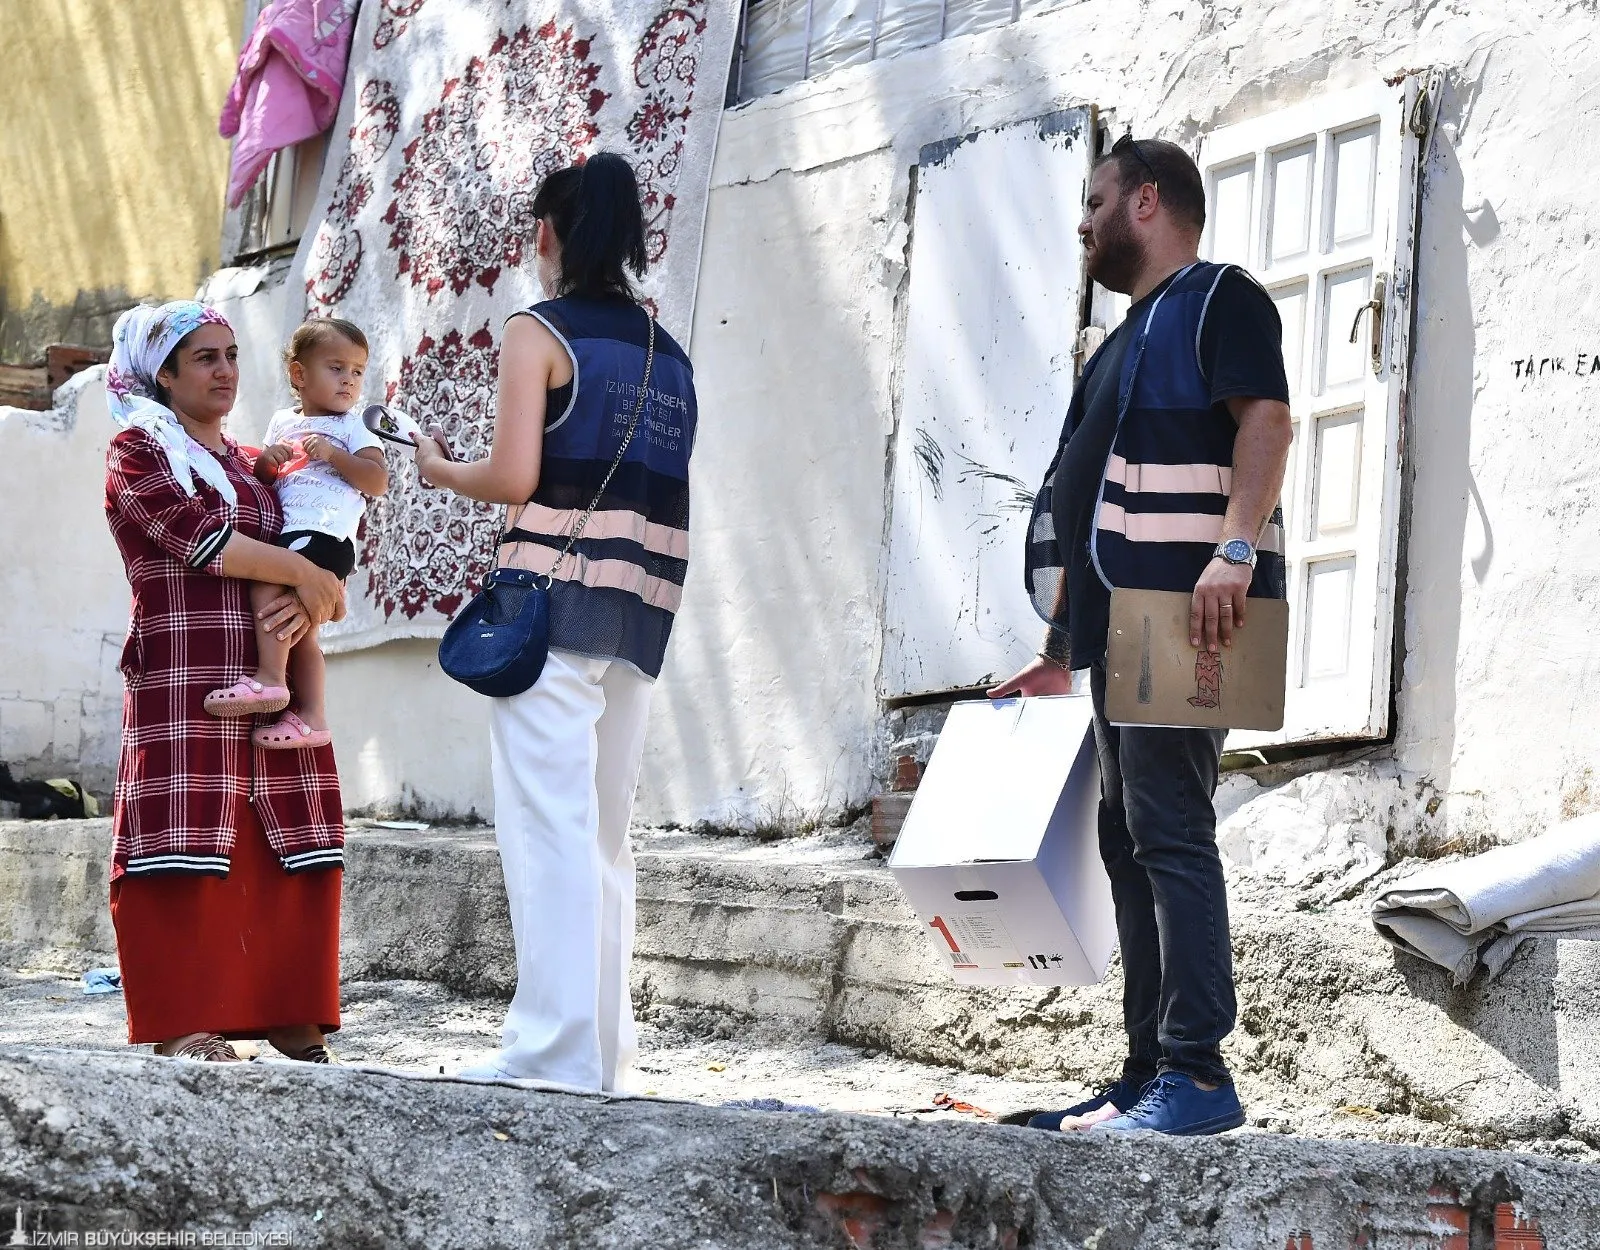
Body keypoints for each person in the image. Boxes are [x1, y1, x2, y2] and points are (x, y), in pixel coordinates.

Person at [988, 137, 1293, 1135]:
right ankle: (1144, 1072)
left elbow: (1266, 423)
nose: (1082, 222)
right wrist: (1060, 641)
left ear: (1147, 201)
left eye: (1095, 200)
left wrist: (1234, 552)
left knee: (1167, 825)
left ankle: (1198, 1075)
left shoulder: (1219, 298)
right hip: (1124, 617)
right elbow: (1092, 489)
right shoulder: (1118, 337)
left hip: (1193, 604)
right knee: (1126, 833)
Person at [414, 153, 697, 1092]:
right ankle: (601, 1057)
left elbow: (514, 480)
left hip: (550, 602)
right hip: (641, 613)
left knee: (548, 831)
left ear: (550, 236)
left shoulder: (536, 332)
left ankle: (550, 1057)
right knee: (604, 843)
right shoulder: (670, 353)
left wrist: (438, 465)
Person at [103, 301, 349, 1063]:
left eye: (232, 354)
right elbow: (200, 539)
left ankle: (291, 1011)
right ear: (163, 374)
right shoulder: (137, 452)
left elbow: (327, 526)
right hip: (185, 678)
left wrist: (321, 583)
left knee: (287, 833)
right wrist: (306, 573)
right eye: (204, 357)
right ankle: (182, 1021)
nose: (224, 371)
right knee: (180, 839)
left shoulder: (256, 461)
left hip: (272, 675)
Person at [204, 318, 389, 750]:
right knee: (304, 633)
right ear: (299, 375)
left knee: (267, 580)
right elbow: (267, 478)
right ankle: (312, 718)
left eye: (358, 371)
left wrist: (335, 455)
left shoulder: (353, 425)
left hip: (323, 534)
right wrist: (268, 459)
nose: (349, 380)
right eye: (336, 368)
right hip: (295, 531)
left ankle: (270, 679)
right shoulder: (282, 422)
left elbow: (377, 481)